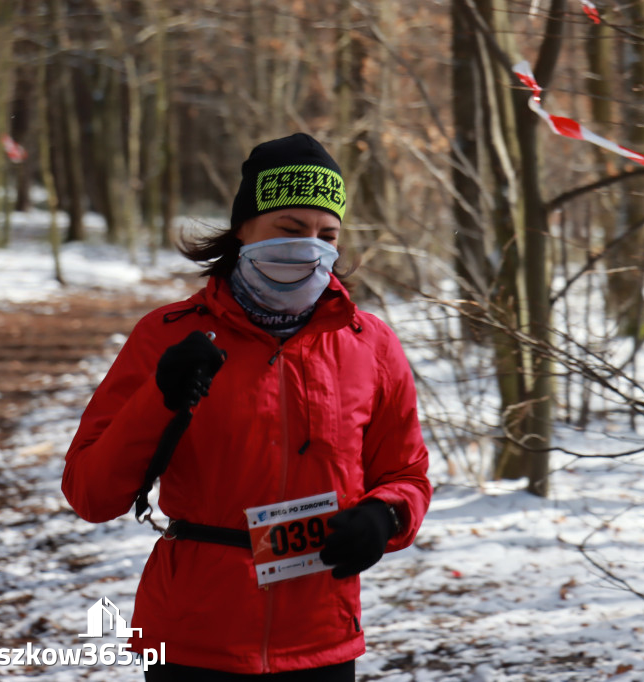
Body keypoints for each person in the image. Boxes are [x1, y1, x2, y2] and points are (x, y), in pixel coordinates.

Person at [62, 133, 432, 681]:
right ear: (243, 230)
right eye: (289, 229)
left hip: (320, 639)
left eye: (327, 234)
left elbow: (406, 475)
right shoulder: (167, 336)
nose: (311, 247)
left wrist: (385, 515)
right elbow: (91, 492)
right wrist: (160, 399)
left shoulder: (369, 343)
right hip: (194, 638)